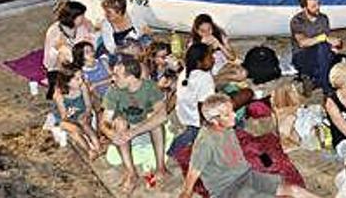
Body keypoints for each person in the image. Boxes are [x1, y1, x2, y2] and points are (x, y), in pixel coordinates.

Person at [179, 94, 310, 198]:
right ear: (214, 121)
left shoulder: (227, 127)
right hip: (229, 190)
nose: (234, 115)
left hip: (248, 175)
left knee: (294, 190)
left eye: (232, 111)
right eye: (228, 114)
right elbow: (189, 184)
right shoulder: (205, 144)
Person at [100, 56, 169, 194]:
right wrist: (111, 134)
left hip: (142, 127)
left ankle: (161, 168)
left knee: (155, 120)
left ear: (130, 78)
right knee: (119, 122)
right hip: (124, 131)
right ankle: (131, 173)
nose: (113, 79)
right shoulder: (113, 90)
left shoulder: (150, 87)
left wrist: (134, 132)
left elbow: (162, 115)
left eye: (117, 76)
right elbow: (104, 122)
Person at [43, 1, 97, 99]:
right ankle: (60, 85)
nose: (84, 18)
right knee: (64, 51)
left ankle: (84, 81)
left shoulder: (82, 26)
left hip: (80, 61)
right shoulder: (54, 31)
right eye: (81, 16)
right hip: (62, 67)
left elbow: (91, 47)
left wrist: (92, 31)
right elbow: (48, 63)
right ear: (72, 17)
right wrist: (56, 48)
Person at [169, 43, 215, 157]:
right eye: (210, 57)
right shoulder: (205, 78)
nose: (213, 59)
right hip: (195, 119)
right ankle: (173, 152)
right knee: (193, 136)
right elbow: (202, 105)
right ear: (199, 62)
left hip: (183, 114)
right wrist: (205, 124)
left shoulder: (185, 72)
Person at [290, 0, 340, 92]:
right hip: (302, 54)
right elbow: (302, 42)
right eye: (313, 6)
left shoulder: (323, 18)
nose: (317, 8)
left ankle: (313, 79)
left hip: (321, 54)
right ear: (304, 8)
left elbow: (327, 39)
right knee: (322, 47)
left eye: (318, 4)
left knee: (330, 54)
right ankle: (326, 87)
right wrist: (323, 38)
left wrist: (334, 46)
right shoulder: (297, 21)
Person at [51, 68, 101, 159]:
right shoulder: (59, 94)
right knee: (74, 131)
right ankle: (89, 150)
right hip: (67, 118)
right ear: (67, 82)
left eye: (81, 77)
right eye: (77, 79)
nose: (81, 80)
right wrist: (73, 121)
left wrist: (87, 113)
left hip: (82, 111)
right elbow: (64, 116)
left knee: (84, 124)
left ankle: (97, 146)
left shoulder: (83, 86)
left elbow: (88, 105)